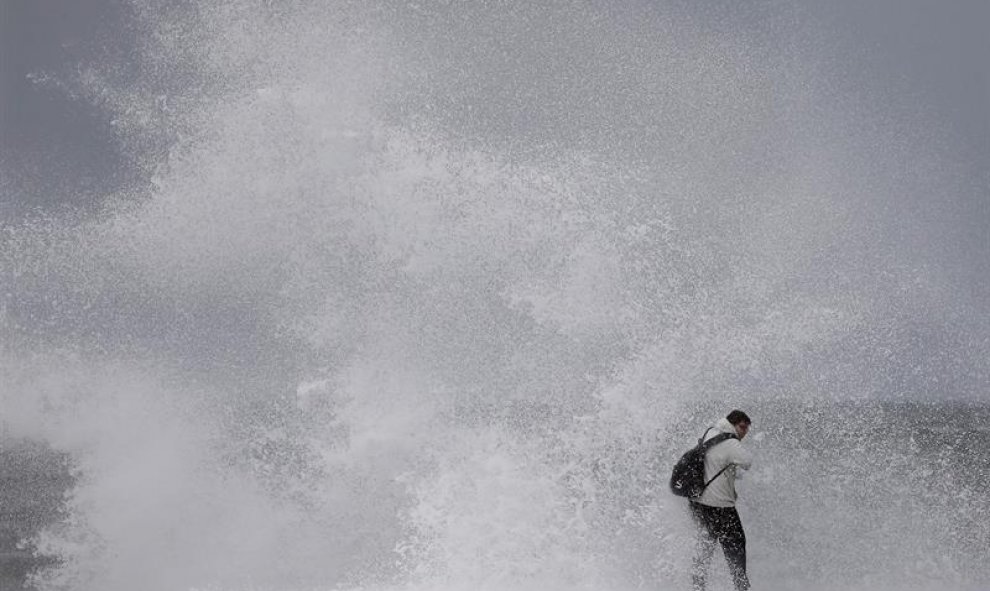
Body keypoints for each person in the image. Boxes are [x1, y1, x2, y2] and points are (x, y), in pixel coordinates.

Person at [689, 409, 753, 591]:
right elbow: (747, 461)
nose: (744, 432)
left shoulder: (711, 431)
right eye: (742, 427)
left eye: (747, 429)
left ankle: (697, 585)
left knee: (706, 544)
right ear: (733, 424)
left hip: (700, 503)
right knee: (736, 547)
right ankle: (740, 587)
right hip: (720, 506)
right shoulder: (731, 442)